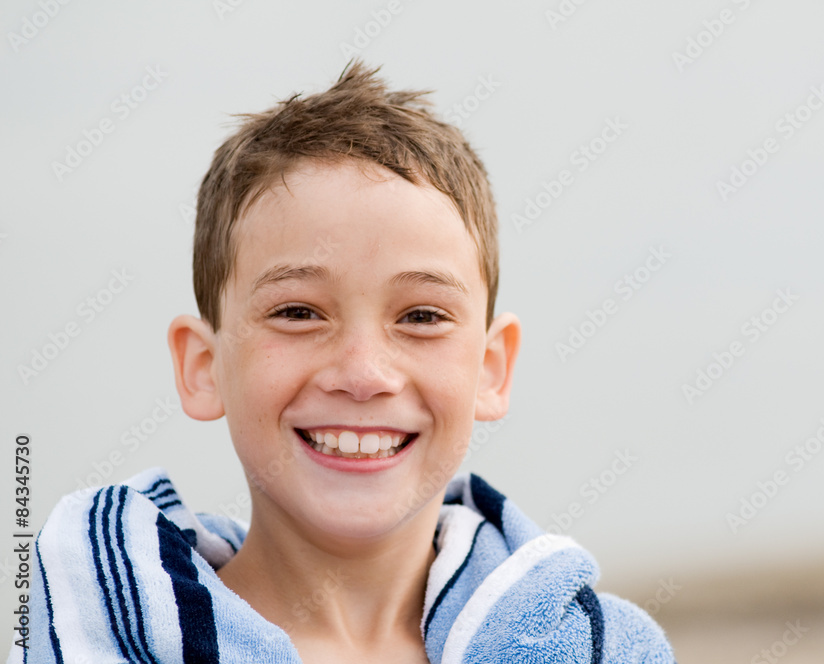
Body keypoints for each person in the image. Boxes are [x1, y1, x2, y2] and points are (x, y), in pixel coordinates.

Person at [9, 62, 675, 663]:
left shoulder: (601, 649)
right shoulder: (93, 634)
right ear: (203, 366)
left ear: (492, 368)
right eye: (298, 313)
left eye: (421, 317)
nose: (363, 373)